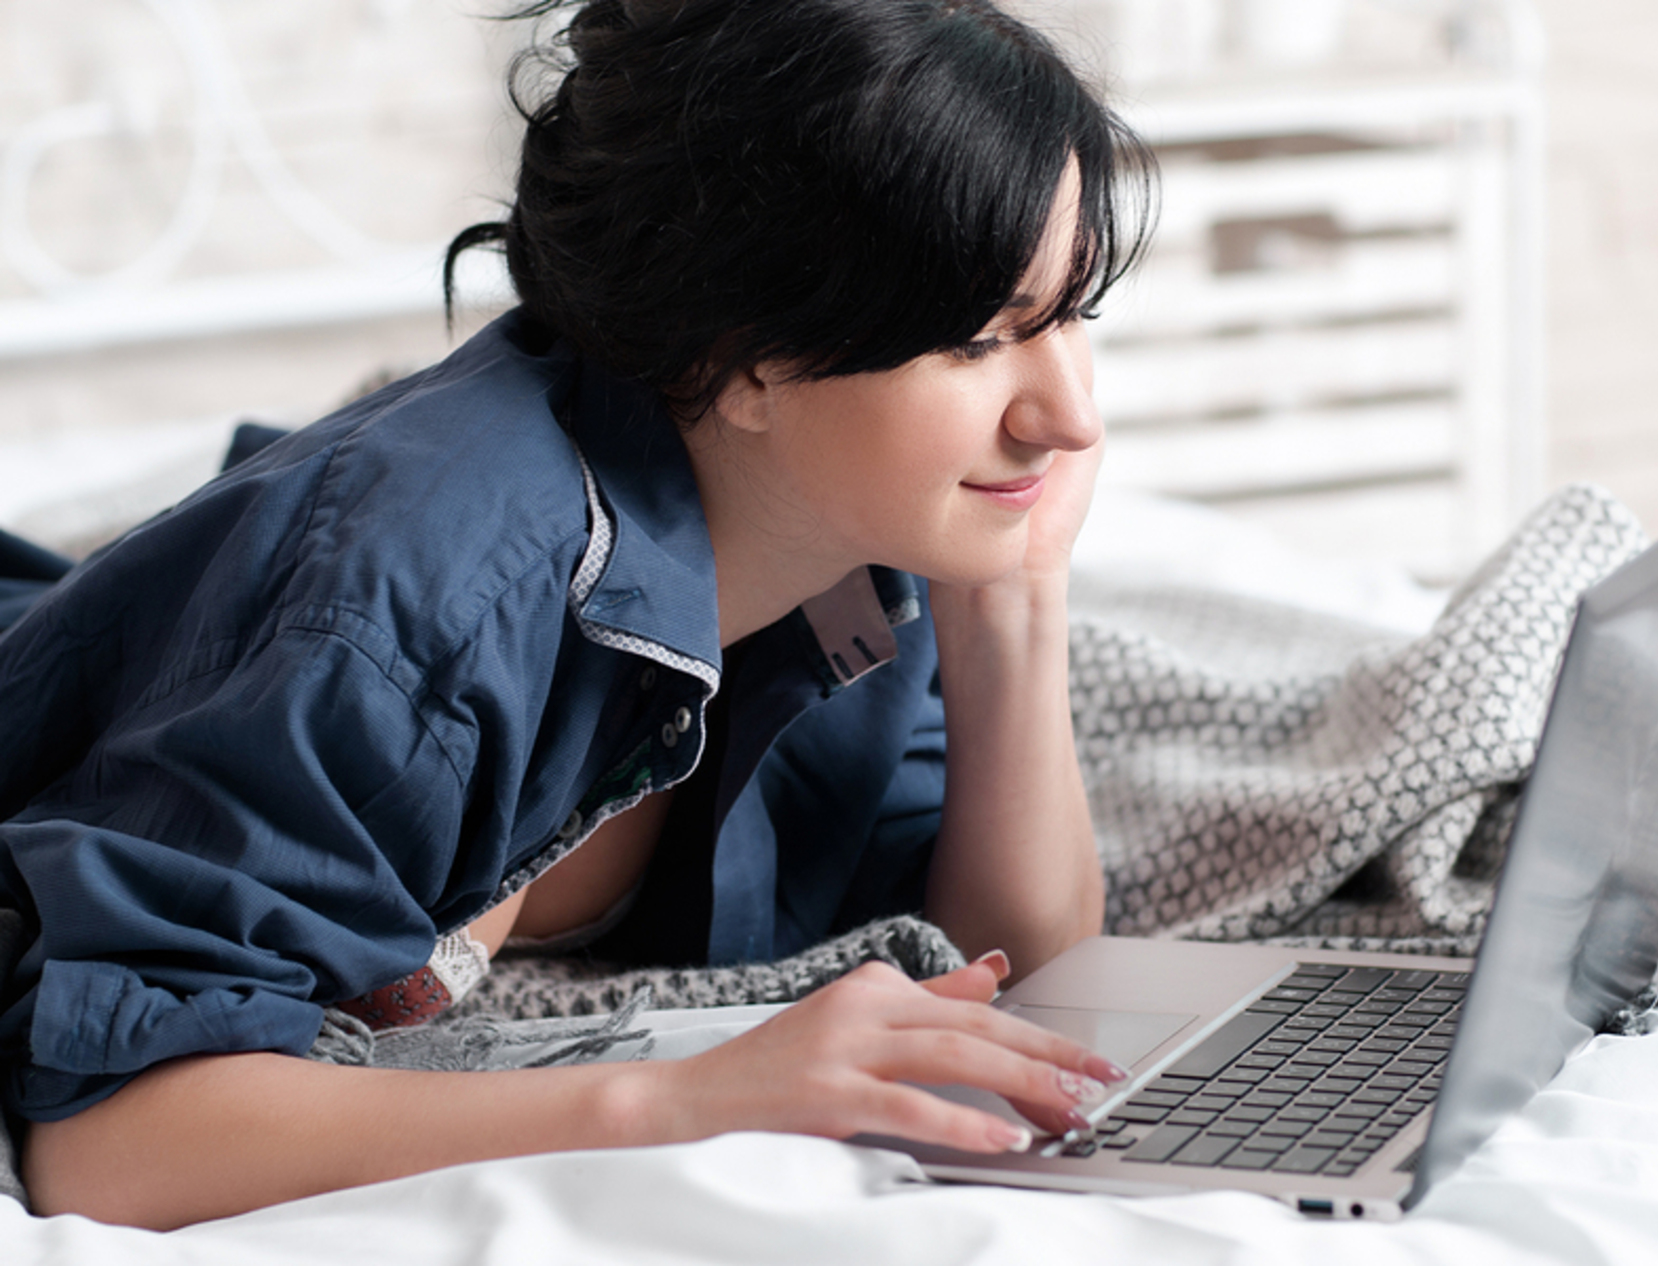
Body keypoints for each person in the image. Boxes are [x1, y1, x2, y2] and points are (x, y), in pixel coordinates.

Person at [0, 0, 1153, 1229]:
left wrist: (1017, 592)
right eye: (982, 342)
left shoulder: (848, 543)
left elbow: (1014, 967)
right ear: (744, 357)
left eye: (1071, 313)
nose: (1070, 416)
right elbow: (108, 1142)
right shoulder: (417, 614)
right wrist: (672, 1098)